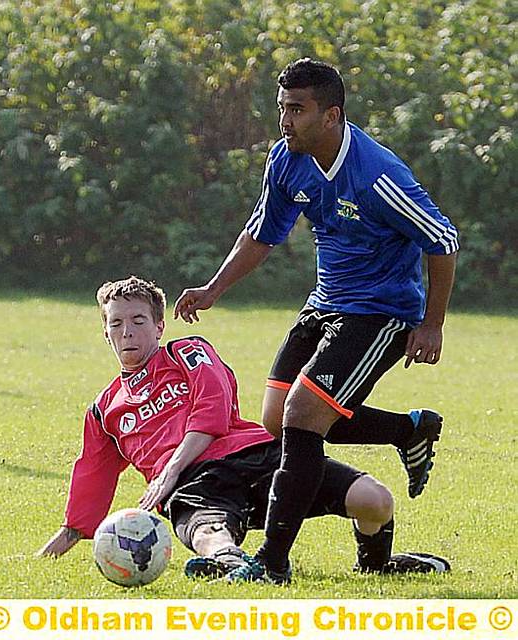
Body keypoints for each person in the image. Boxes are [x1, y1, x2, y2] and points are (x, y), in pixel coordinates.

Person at [174, 58, 459, 583]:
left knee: (304, 415)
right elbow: (262, 233)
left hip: (382, 313)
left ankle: (270, 562)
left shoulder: (377, 175)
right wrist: (214, 288)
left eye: (297, 110)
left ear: (332, 115)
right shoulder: (288, 158)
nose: (285, 120)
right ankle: (408, 430)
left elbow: (442, 241)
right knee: (276, 418)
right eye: (282, 107)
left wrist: (432, 323)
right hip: (324, 304)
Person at [36, 275, 450, 581]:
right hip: (195, 488)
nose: (127, 331)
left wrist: (169, 469)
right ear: (105, 332)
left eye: (139, 320)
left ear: (159, 326)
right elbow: (93, 472)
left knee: (375, 500)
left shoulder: (188, 352)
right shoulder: (105, 408)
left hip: (257, 456)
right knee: (211, 536)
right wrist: (65, 538)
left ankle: (377, 566)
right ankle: (233, 565)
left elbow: (213, 407)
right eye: (116, 323)